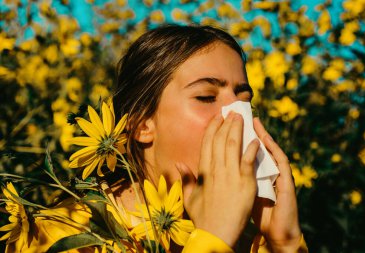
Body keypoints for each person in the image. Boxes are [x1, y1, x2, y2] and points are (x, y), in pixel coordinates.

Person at [111, 24, 307, 252]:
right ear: (141, 125)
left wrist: (285, 243)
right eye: (206, 97)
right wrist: (213, 238)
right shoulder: (76, 229)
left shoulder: (251, 242)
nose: (236, 116)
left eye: (244, 101)